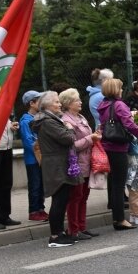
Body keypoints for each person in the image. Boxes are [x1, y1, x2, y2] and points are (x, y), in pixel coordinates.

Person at [30, 91, 80, 247]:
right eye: (57, 102)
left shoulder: (50, 119)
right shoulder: (48, 121)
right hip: (56, 165)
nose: (60, 104)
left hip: (59, 163)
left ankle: (60, 232)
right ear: (47, 105)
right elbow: (68, 139)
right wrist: (70, 128)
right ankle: (55, 236)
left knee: (62, 199)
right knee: (59, 200)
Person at [97, 78, 138, 230]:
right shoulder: (119, 104)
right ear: (114, 90)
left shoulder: (103, 105)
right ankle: (119, 219)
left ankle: (116, 217)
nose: (121, 90)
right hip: (118, 147)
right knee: (119, 185)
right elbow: (129, 123)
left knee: (114, 183)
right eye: (119, 88)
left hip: (107, 145)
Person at [60, 88, 101, 240]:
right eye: (77, 100)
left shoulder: (81, 117)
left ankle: (82, 227)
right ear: (69, 103)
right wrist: (91, 138)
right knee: (75, 197)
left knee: (83, 196)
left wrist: (95, 136)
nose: (80, 102)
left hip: (87, 161)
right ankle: (73, 229)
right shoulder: (66, 120)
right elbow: (73, 145)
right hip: (75, 164)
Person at [19, 90, 48, 222]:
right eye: (39, 100)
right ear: (32, 103)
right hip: (32, 160)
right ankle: (33, 211)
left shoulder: (39, 118)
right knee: (35, 184)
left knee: (41, 184)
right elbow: (28, 141)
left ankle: (41, 209)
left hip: (41, 158)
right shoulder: (25, 121)